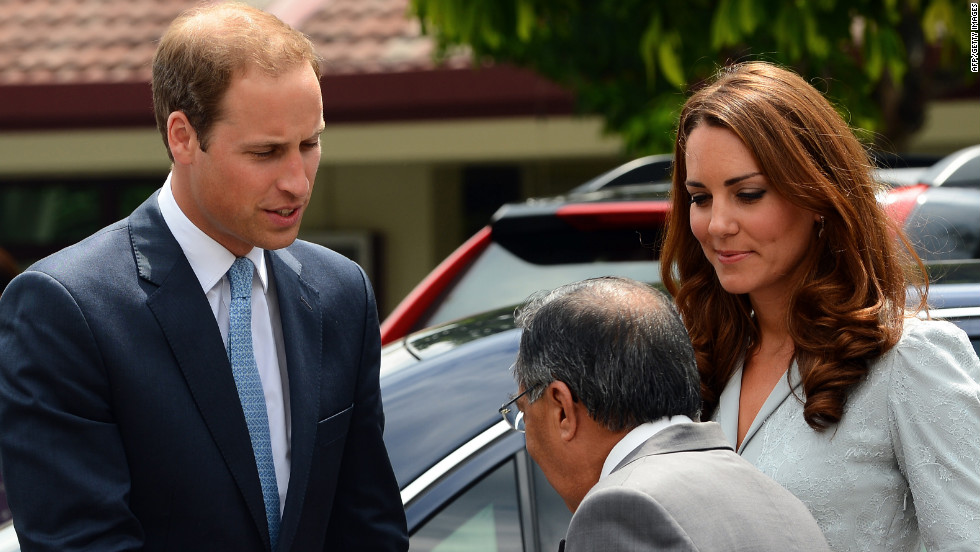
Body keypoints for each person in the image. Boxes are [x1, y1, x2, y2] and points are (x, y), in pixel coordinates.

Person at [0, 3, 407, 551]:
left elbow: (368, 527)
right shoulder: (66, 309)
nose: (297, 181)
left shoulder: (341, 293)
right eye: (265, 152)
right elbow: (79, 541)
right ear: (183, 137)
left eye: (309, 144)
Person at [660, 61, 980, 552]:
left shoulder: (910, 360)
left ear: (817, 196)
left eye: (748, 194)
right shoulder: (699, 363)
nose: (717, 224)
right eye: (700, 198)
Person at [504, 276, 830, 551]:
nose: (528, 436)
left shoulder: (621, 508)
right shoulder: (778, 501)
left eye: (524, 414)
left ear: (562, 408)